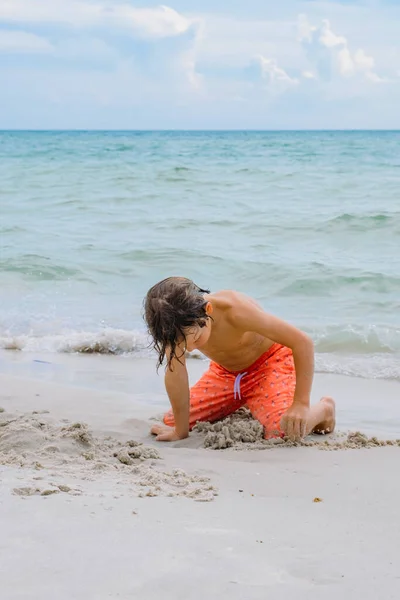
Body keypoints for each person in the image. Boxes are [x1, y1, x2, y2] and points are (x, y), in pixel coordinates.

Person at [144, 276, 335, 443]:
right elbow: (176, 372)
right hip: (225, 373)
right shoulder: (173, 328)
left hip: (269, 364)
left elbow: (302, 342)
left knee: (282, 431)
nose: (191, 348)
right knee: (172, 419)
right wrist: (180, 431)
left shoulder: (235, 311)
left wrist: (300, 404)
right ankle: (248, 401)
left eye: (195, 339)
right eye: (183, 345)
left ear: (207, 310)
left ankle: (325, 409)